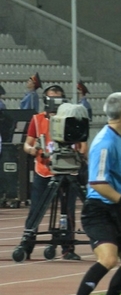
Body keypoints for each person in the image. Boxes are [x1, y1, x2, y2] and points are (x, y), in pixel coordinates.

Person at [63, 92, 121, 295]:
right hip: (98, 211)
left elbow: (116, 179)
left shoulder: (119, 138)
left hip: (115, 210)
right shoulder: (105, 142)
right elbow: (97, 183)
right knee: (109, 259)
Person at [21, 85, 85, 261]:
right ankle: (26, 246)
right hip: (44, 171)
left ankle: (67, 248)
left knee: (67, 211)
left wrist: (79, 155)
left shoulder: (72, 119)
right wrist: (32, 150)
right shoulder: (37, 119)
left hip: (67, 170)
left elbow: (82, 144)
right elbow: (27, 143)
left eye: (59, 98)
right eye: (52, 99)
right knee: (36, 210)